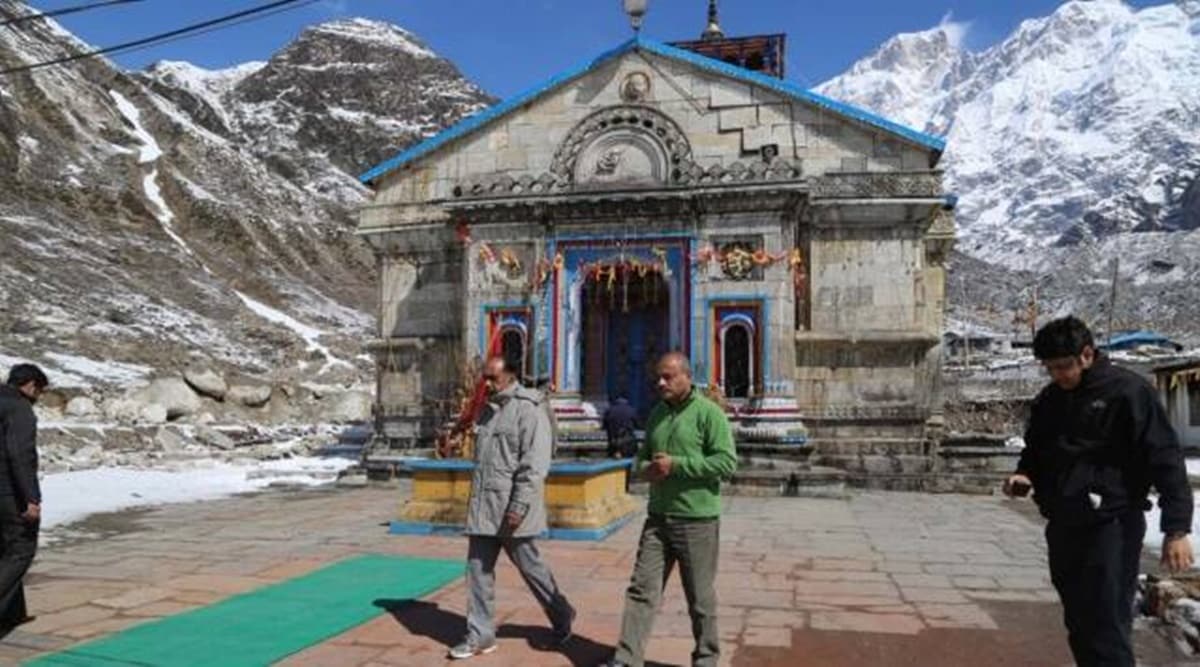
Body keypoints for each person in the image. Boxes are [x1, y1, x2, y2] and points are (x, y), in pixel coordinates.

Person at [1004, 316, 1194, 667]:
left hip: (1112, 524)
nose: (1058, 375)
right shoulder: (1051, 399)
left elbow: (1165, 457)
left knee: (1106, 622)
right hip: (1064, 522)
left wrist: (1176, 529)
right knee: (1079, 621)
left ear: (1087, 355)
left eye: (1064, 366)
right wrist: (1024, 474)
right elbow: (1036, 450)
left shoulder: (1128, 392)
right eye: (1050, 368)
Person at [604, 352, 737, 667]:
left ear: (687, 377)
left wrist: (677, 465)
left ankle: (706, 658)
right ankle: (627, 657)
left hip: (696, 520)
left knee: (700, 597)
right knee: (641, 590)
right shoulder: (657, 415)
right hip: (658, 518)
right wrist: (646, 469)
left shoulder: (709, 414)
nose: (661, 383)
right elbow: (641, 460)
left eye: (668, 377)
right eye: (658, 378)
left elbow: (727, 462)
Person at [450, 356, 575, 660]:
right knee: (477, 571)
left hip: (513, 509)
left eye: (493, 378)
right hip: (485, 506)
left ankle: (561, 613)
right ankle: (480, 635)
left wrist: (519, 505)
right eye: (485, 377)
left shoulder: (529, 409)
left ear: (510, 375)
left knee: (531, 567)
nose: (487, 383)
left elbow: (534, 465)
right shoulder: (487, 410)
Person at [0, 363, 48, 634]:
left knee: (3, 549)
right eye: (39, 391)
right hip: (9, 491)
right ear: (30, 385)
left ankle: (12, 613)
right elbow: (20, 454)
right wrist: (31, 497)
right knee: (21, 549)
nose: (38, 396)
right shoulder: (19, 408)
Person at [603, 395, 638, 459]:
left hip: (613, 442)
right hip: (628, 442)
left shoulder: (609, 410)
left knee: (613, 461)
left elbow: (604, 425)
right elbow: (636, 424)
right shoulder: (631, 410)